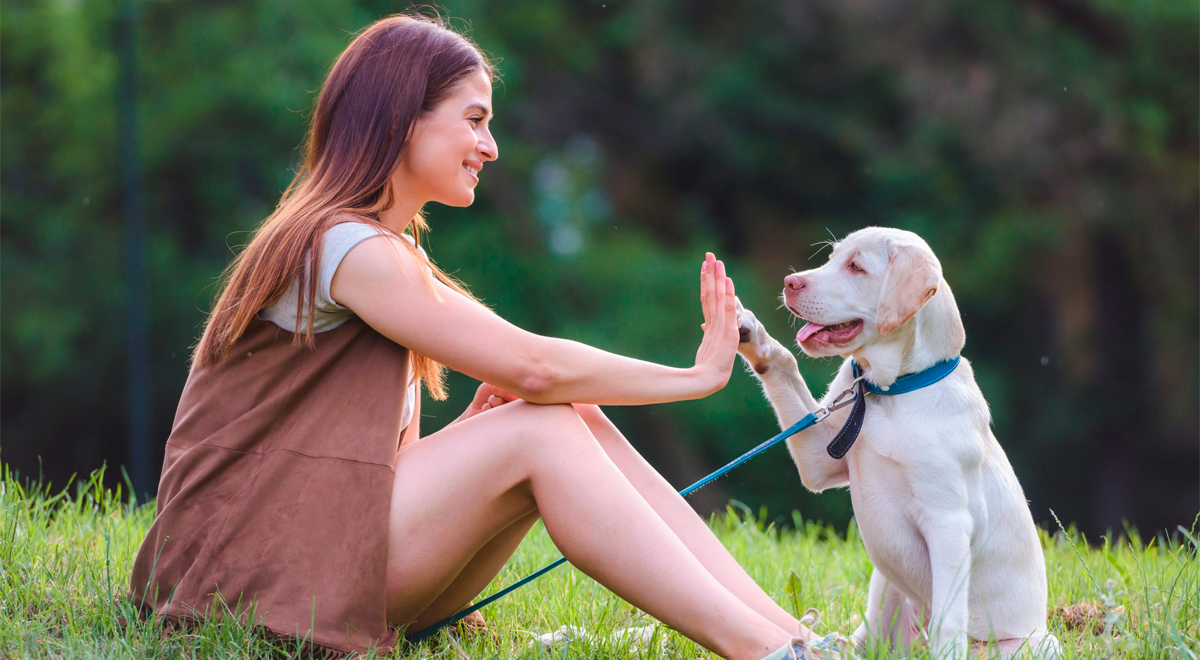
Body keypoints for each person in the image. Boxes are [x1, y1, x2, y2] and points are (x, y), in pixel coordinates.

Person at [128, 12, 847, 660]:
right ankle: (764, 653)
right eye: (473, 120)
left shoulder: (373, 249)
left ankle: (793, 639)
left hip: (300, 561)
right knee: (539, 422)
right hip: (243, 579)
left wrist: (469, 443)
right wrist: (694, 378)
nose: (490, 146)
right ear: (403, 118)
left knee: (564, 417)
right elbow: (535, 366)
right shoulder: (341, 245)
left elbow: (362, 457)